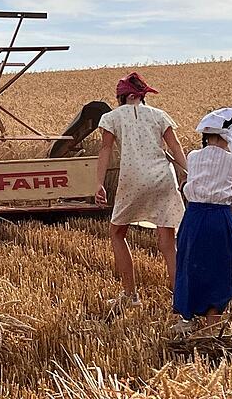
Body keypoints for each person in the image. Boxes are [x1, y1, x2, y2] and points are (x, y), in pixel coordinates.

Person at [95, 72, 187, 306]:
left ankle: (130, 295)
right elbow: (175, 147)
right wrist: (188, 173)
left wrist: (99, 183)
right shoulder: (159, 115)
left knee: (117, 233)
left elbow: (105, 150)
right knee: (167, 239)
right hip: (163, 178)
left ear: (120, 97)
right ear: (143, 95)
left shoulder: (111, 118)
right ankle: (179, 299)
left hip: (133, 179)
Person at [172, 107, 232, 332]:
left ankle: (187, 318)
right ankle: (213, 321)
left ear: (206, 136)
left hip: (193, 217)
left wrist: (186, 185)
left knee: (190, 264)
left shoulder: (193, 157)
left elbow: (188, 189)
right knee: (219, 267)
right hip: (219, 218)